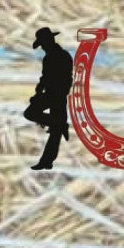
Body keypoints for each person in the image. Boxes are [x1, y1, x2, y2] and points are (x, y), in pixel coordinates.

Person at [25, 25, 74, 170]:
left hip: (57, 94)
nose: (43, 48)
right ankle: (58, 125)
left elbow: (66, 78)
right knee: (55, 129)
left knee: (32, 114)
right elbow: (44, 78)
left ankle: (47, 160)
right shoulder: (49, 58)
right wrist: (39, 92)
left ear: (49, 41)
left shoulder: (62, 56)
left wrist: (53, 92)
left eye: (43, 44)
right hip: (51, 93)